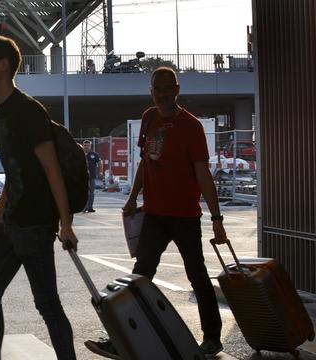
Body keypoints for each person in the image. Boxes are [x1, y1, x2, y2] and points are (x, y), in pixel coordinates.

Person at [86, 67, 228, 358]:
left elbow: (203, 174)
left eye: (167, 88)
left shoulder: (191, 127)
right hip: (154, 215)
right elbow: (144, 163)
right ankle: (121, 338)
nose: (162, 94)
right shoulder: (149, 118)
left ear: (177, 90)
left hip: (185, 216)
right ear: (151, 92)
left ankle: (212, 338)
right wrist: (133, 196)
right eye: (157, 89)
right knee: (140, 277)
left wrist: (217, 220)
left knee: (197, 276)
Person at [0, 36, 78, 360]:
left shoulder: (29, 111)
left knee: (46, 303)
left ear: (3, 66)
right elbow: (15, 172)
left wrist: (66, 223)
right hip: (10, 224)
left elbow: (51, 170)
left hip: (34, 225)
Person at [83, 140, 103, 213]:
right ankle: (84, 207)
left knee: (91, 192)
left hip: (91, 177)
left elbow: (100, 162)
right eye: (85, 145)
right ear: (83, 146)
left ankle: (90, 207)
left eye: (88, 145)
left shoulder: (94, 154)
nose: (86, 147)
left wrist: (100, 172)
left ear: (90, 146)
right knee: (84, 192)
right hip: (82, 178)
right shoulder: (80, 154)